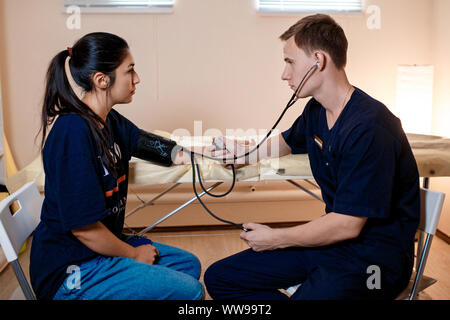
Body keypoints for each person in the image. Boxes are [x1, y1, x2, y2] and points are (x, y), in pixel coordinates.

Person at [204, 14, 420, 300]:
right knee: (221, 278)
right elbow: (284, 143)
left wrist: (276, 239)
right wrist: (244, 154)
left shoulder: (370, 127)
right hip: (334, 246)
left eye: (290, 62)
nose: (284, 74)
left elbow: (347, 224)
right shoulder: (317, 111)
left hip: (376, 263)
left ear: (318, 60)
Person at [30, 32, 203, 300]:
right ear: (102, 80)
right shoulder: (72, 132)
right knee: (191, 292)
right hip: (73, 271)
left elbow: (154, 146)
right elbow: (83, 229)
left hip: (97, 252)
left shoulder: (108, 121)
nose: (137, 79)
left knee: (188, 265)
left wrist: (206, 153)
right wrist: (133, 254)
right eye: (129, 71)